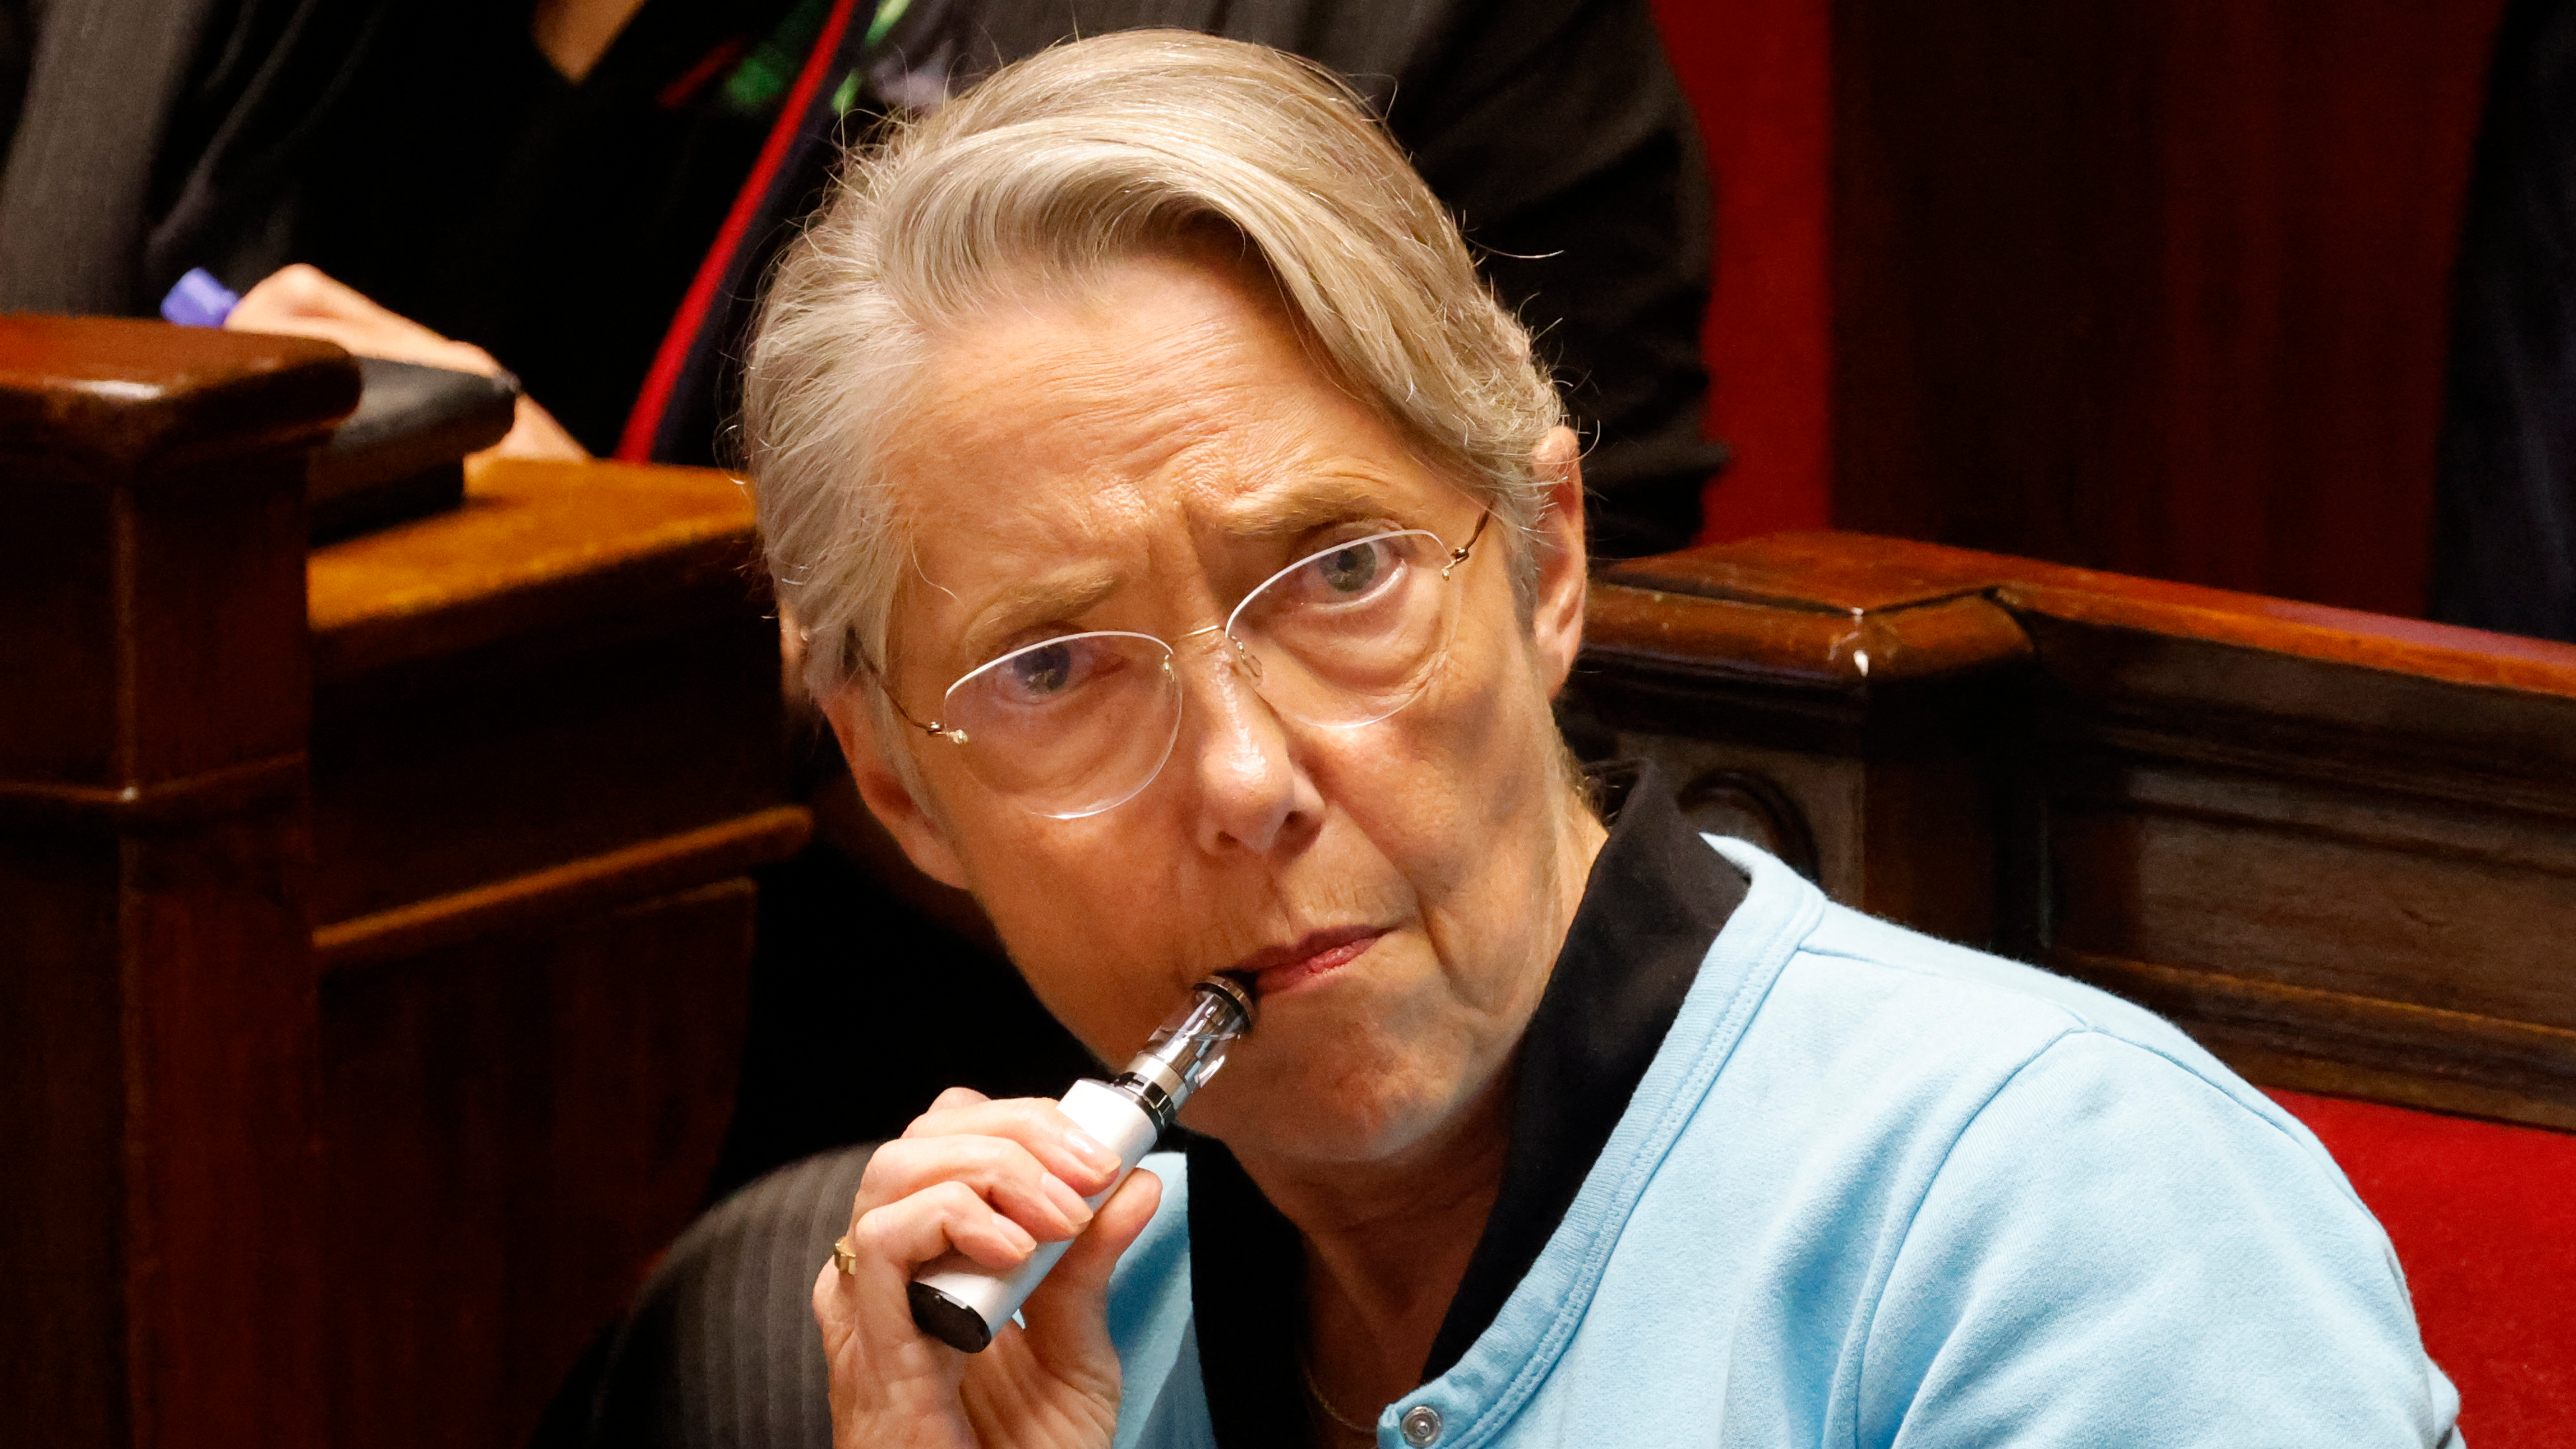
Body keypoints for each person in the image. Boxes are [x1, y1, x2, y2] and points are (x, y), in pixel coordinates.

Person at [736, 30, 2462, 1449]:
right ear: (897, 782)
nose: (1250, 782)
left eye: (1342, 575)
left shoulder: (2061, 1230)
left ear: (1550, 557)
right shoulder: (1047, 1354)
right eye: (1055, 669)